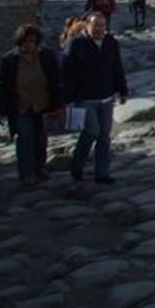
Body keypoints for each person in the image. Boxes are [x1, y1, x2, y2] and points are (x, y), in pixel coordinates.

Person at [63, 12, 128, 184]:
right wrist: (67, 98)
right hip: (85, 97)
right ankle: (77, 164)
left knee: (104, 136)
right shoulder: (76, 44)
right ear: (87, 25)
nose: (99, 29)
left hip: (106, 96)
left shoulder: (110, 43)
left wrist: (122, 90)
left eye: (102, 25)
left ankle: (102, 173)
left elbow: (117, 67)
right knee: (92, 131)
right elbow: (67, 73)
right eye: (95, 25)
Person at [0, 25, 62, 187]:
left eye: (33, 41)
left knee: (40, 138)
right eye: (26, 41)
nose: (29, 44)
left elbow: (55, 80)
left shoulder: (46, 56)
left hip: (42, 104)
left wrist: (58, 104)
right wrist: (2, 109)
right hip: (21, 106)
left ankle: (39, 167)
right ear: (19, 42)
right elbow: (4, 86)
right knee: (25, 138)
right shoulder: (10, 60)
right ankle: (26, 173)